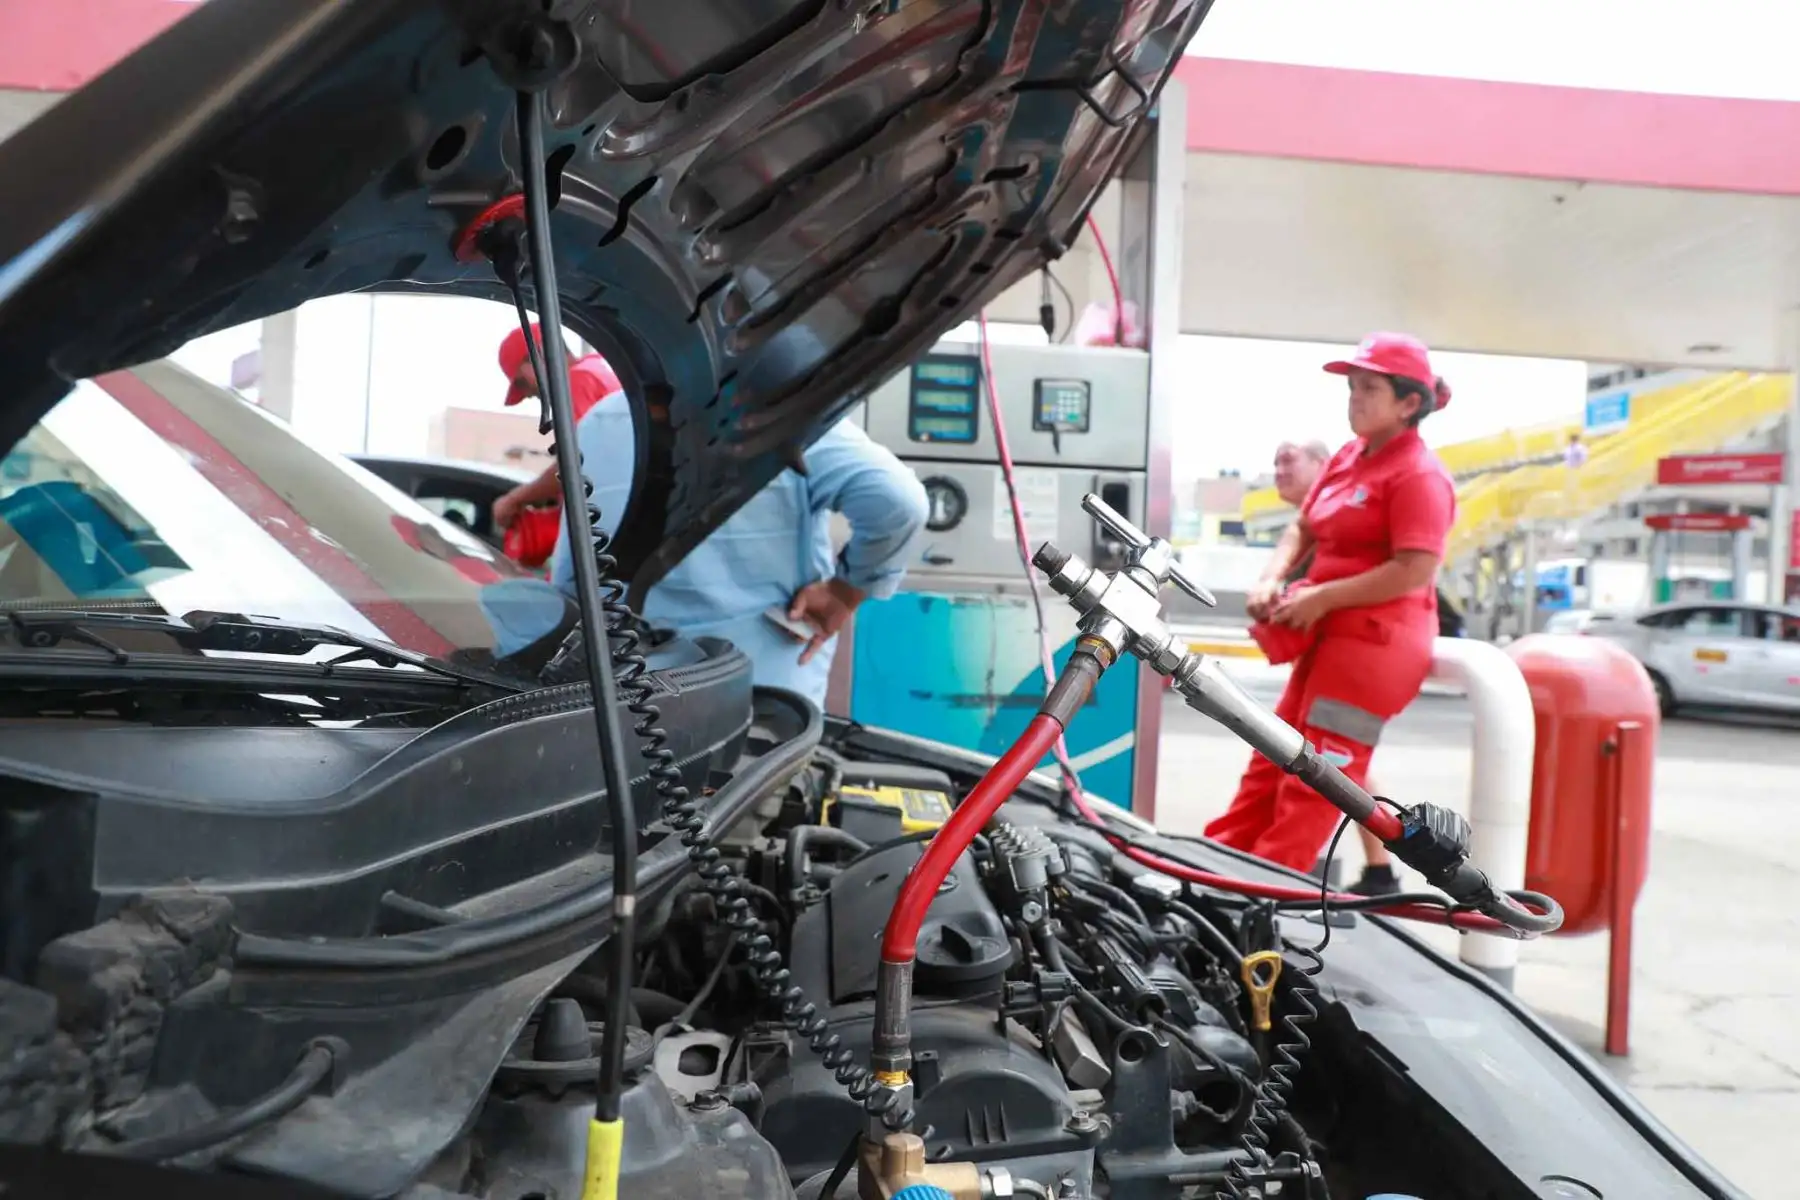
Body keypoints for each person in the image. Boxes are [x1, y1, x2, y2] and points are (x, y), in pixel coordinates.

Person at [1208, 333, 1456, 877]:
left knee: (1313, 786)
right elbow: (1303, 526)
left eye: (1369, 388)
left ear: (1409, 403)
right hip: (1325, 641)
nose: (1354, 399)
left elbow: (1415, 567)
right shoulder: (1350, 456)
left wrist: (1323, 596)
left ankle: (1259, 902)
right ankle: (1214, 873)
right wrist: (1275, 577)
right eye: (1351, 387)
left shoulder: (1419, 475)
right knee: (1269, 761)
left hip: (1373, 652)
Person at [548, 384, 928, 709]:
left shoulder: (598, 422)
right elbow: (898, 501)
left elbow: (570, 579)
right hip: (764, 710)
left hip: (623, 701)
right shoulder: (779, 418)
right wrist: (844, 594)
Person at [489, 324, 621, 533]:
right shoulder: (596, 369)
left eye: (522, 383)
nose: (528, 395)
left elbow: (573, 466)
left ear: (539, 353)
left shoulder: (577, 381)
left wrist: (514, 499)